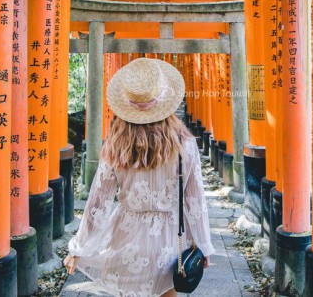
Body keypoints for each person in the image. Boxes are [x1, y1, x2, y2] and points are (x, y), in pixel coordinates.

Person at [63, 58, 215, 297]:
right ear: (164, 101)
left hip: (126, 236)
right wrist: (203, 245)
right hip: (169, 239)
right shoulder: (185, 144)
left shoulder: (116, 145)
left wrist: (79, 247)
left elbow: (98, 202)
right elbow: (194, 200)